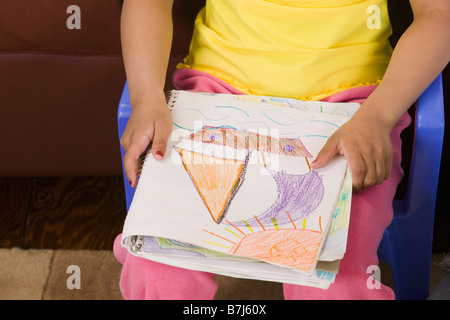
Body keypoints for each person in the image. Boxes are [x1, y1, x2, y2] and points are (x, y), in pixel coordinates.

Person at [114, 0, 450, 300]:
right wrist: (146, 98)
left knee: (335, 284)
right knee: (156, 270)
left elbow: (439, 13)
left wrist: (378, 115)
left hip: (352, 112)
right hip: (214, 99)